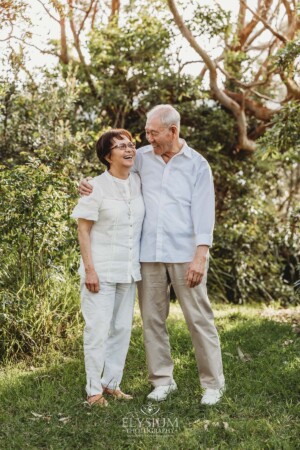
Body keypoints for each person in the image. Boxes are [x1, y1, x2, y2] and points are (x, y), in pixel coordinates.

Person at [80, 105, 225, 405]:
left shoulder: (197, 165)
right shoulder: (142, 158)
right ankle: (162, 380)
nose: (147, 138)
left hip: (186, 253)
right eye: (145, 132)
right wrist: (85, 184)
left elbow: (204, 213)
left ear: (173, 131)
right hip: (149, 254)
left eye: (153, 133)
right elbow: (110, 176)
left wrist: (201, 254)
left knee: (199, 319)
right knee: (152, 320)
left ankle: (212, 384)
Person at [71, 129, 145, 407]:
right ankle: (93, 391)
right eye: (121, 146)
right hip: (99, 272)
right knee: (97, 330)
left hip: (128, 270)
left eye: (131, 145)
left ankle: (111, 383)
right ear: (107, 156)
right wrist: (90, 270)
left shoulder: (138, 181)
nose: (129, 149)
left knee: (121, 329)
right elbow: (83, 230)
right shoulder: (96, 187)